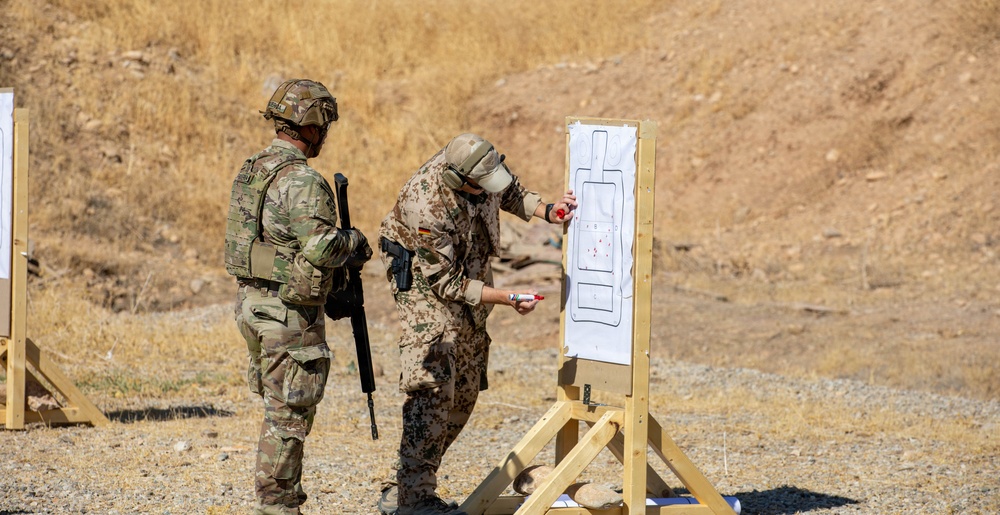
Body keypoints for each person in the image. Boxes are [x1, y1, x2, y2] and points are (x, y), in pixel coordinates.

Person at [377, 133, 576, 515]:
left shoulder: (482, 165)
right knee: (435, 383)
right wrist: (507, 297)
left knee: (466, 388)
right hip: (424, 280)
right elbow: (445, 283)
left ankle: (402, 483)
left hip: (467, 269)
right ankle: (414, 501)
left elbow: (511, 191)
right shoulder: (426, 204)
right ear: (460, 180)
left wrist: (550, 211)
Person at [224, 78, 372, 515]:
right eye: (323, 125)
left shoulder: (253, 169)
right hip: (286, 314)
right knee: (289, 418)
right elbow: (322, 247)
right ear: (309, 127)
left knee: (279, 410)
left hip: (254, 304)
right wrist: (357, 242)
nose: (325, 134)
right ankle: (278, 506)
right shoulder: (302, 180)